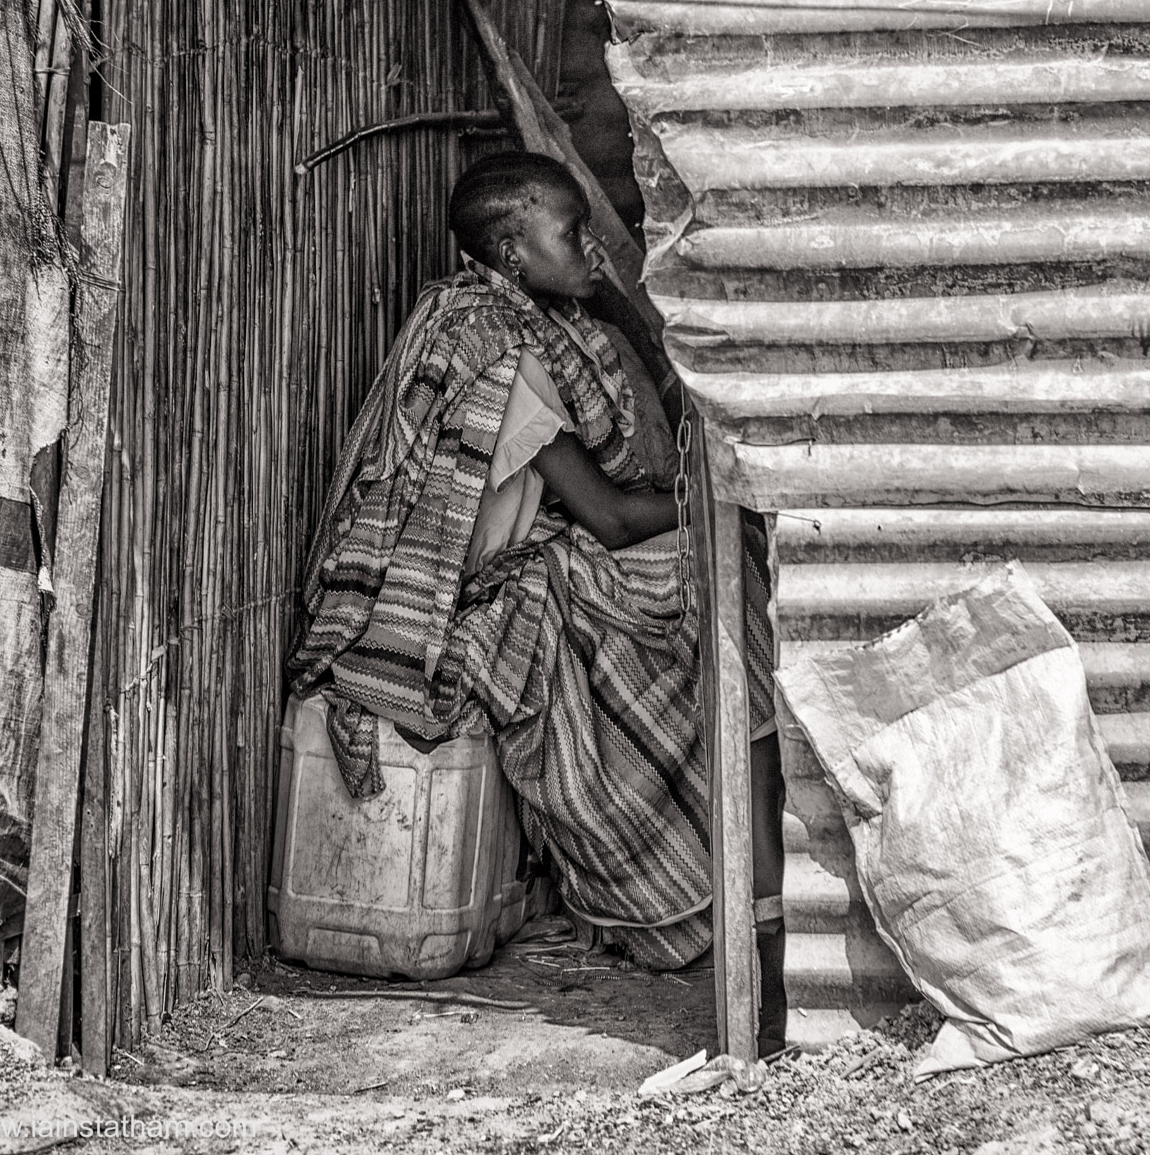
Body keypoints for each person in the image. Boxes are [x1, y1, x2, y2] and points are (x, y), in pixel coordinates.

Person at [288, 151, 788, 1053]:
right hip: (455, 598)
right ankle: (720, 897)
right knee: (712, 592)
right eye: (572, 232)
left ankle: (750, 881)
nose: (593, 249)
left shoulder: (515, 320)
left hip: (531, 550)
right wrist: (716, 504)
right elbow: (602, 515)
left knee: (710, 582)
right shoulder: (492, 348)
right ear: (513, 250)